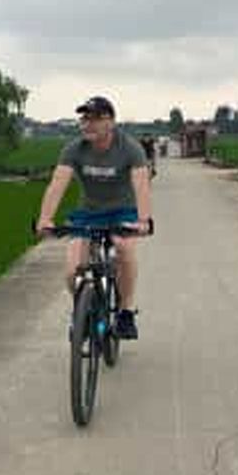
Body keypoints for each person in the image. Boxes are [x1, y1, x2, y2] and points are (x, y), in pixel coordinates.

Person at [35, 96, 152, 340]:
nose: (87, 124)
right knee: (72, 271)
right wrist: (45, 219)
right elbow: (57, 185)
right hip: (89, 212)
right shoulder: (74, 149)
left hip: (123, 211)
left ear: (110, 122)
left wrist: (143, 220)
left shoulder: (129, 148)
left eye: (94, 118)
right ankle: (84, 311)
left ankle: (126, 312)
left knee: (123, 248)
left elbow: (141, 184)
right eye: (84, 118)